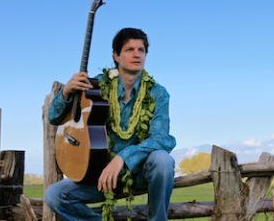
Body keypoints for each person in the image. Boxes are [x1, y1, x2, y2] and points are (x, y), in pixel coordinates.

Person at [45, 27, 176, 221]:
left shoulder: (158, 93)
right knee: (54, 195)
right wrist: (65, 93)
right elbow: (54, 118)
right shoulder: (95, 87)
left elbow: (162, 138)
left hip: (140, 174)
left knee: (163, 160)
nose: (137, 54)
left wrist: (122, 158)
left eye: (141, 50)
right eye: (130, 49)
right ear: (116, 55)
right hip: (101, 176)